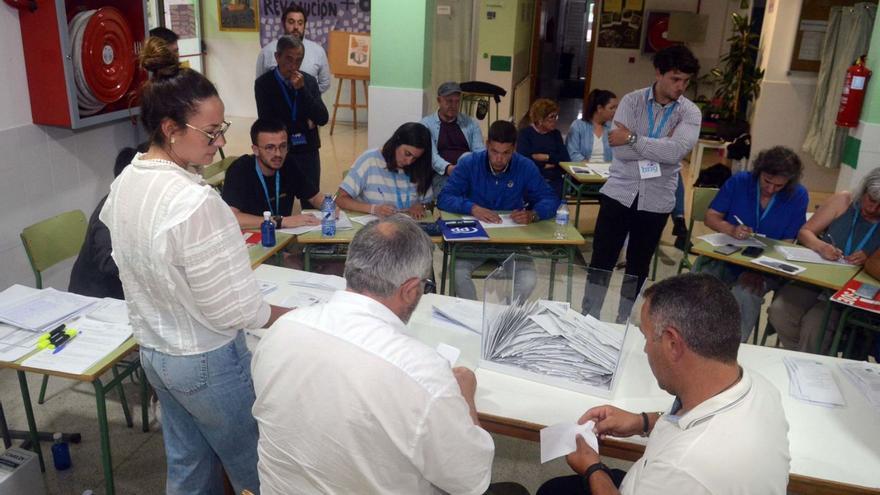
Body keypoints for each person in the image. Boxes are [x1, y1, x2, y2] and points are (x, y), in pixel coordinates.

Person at [100, 41, 290, 494]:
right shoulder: (196, 202)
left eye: (221, 128)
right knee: (255, 470)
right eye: (211, 133)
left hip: (156, 353)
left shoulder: (125, 182)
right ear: (170, 129)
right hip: (206, 361)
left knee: (189, 464)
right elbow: (234, 309)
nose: (222, 141)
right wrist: (286, 316)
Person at [251, 215, 529, 495]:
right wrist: (465, 395)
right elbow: (472, 479)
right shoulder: (422, 373)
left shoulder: (283, 329)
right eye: (425, 286)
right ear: (410, 290)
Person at [538, 273, 790, 495]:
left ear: (672, 343)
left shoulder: (684, 468)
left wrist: (592, 467)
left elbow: (680, 469)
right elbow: (691, 423)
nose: (646, 348)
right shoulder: (761, 388)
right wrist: (643, 421)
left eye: (647, 337)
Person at [583, 45, 701, 323]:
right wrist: (660, 148)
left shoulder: (690, 113)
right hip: (620, 192)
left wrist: (634, 138)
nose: (681, 86)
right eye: (675, 79)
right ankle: (588, 318)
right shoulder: (631, 102)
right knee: (602, 259)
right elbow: (619, 151)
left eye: (686, 81)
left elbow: (676, 152)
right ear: (658, 73)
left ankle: (624, 319)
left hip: (657, 199)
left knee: (638, 265)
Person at [438, 120, 558, 301]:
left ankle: (503, 317)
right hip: (474, 239)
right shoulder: (470, 163)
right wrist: (472, 208)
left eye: (506, 153)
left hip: (511, 242)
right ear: (487, 145)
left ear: (514, 148)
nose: (499, 159)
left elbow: (549, 199)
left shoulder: (525, 166)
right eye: (494, 151)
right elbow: (444, 198)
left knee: (528, 279)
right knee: (457, 273)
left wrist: (534, 214)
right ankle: (475, 318)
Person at [769, 167, 880, 352]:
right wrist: (821, 247)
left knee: (815, 327)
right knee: (779, 312)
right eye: (871, 200)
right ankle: (803, 358)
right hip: (816, 278)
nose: (873, 209)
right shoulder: (843, 201)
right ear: (863, 191)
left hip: (847, 290)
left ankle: (803, 364)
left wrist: (868, 259)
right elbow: (805, 232)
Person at [703, 146, 808, 342]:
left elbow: (786, 243)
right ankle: (693, 340)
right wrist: (731, 229)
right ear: (759, 172)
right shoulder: (740, 181)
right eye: (767, 181)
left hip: (767, 266)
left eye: (779, 186)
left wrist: (758, 270)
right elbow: (711, 217)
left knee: (746, 293)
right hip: (729, 257)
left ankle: (730, 349)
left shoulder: (798, 195)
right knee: (699, 283)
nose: (770, 189)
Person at [255, 36, 328, 208]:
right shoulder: (264, 84)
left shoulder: (308, 81)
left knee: (311, 200)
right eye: (288, 59)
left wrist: (302, 90)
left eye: (298, 60)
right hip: (279, 150)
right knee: (280, 201)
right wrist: (305, 124)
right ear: (277, 57)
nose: (293, 65)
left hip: (307, 150)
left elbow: (322, 118)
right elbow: (269, 122)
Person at [68, 144, 145, 299]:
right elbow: (108, 262)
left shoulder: (142, 203)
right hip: (96, 298)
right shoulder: (109, 211)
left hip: (127, 293)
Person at [222, 118, 327, 229]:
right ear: (256, 150)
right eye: (270, 148)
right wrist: (279, 221)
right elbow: (231, 217)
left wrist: (329, 206)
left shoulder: (288, 163)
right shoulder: (240, 170)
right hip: (251, 236)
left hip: (282, 236)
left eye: (283, 146)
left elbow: (314, 197)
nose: (278, 154)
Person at [336, 122, 434, 219]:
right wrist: (374, 209)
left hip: (408, 228)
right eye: (407, 153)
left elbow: (429, 204)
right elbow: (341, 199)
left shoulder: (420, 166)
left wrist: (421, 206)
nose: (409, 162)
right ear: (396, 142)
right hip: (373, 227)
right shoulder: (369, 160)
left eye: (415, 158)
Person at [421, 81, 486, 196]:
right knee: (452, 194)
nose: (453, 106)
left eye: (457, 102)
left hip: (468, 171)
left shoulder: (471, 123)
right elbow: (432, 156)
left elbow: (479, 151)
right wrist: (449, 168)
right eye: (449, 101)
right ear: (439, 100)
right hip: (442, 175)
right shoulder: (426, 124)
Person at [255, 5, 331, 93]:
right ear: (283, 24)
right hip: (277, 105)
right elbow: (260, 84)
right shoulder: (267, 52)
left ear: (304, 25)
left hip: (307, 105)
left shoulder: (318, 51)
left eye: (300, 23)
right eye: (291, 22)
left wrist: (308, 96)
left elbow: (325, 83)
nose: (296, 27)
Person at [517, 98, 570, 198]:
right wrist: (545, 165)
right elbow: (523, 160)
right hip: (532, 177)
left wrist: (546, 157)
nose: (555, 120)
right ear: (540, 119)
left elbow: (565, 159)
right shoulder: (525, 134)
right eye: (551, 117)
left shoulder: (556, 134)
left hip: (554, 180)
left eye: (556, 116)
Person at [565, 89, 617, 163]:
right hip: (583, 169)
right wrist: (590, 167)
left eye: (616, 107)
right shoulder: (578, 125)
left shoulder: (612, 127)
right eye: (612, 108)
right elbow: (572, 153)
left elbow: (618, 154)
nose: (615, 111)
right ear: (599, 108)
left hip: (607, 170)